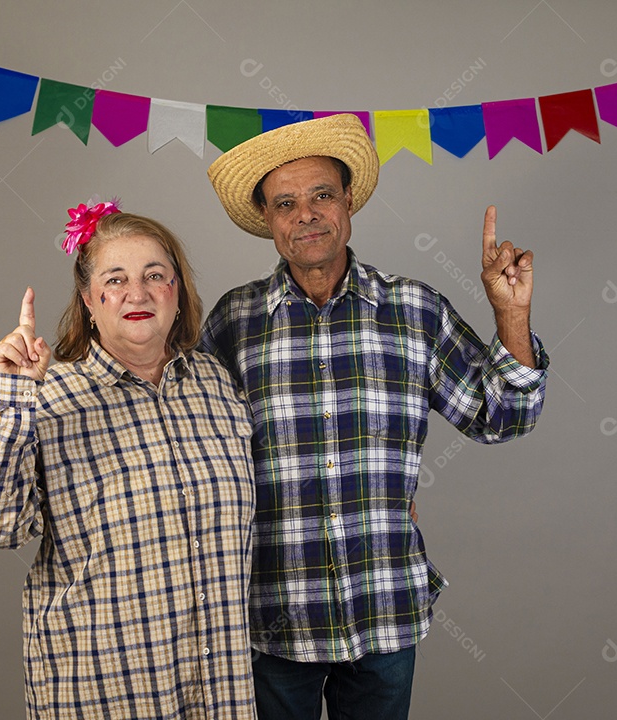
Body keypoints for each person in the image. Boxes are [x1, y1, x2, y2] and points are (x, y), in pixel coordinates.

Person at [199, 113, 549, 719]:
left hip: (384, 607)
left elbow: (503, 417)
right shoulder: (234, 321)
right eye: (286, 204)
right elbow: (187, 446)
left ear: (348, 201)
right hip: (273, 617)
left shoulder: (414, 309)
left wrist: (510, 316)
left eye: (321, 195)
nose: (306, 215)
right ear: (269, 221)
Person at [0, 205, 257, 719]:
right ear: (89, 301)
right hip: (104, 695)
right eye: (116, 280)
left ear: (177, 291)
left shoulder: (217, 383)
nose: (137, 293)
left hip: (222, 695)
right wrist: (10, 398)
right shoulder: (47, 396)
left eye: (154, 276)